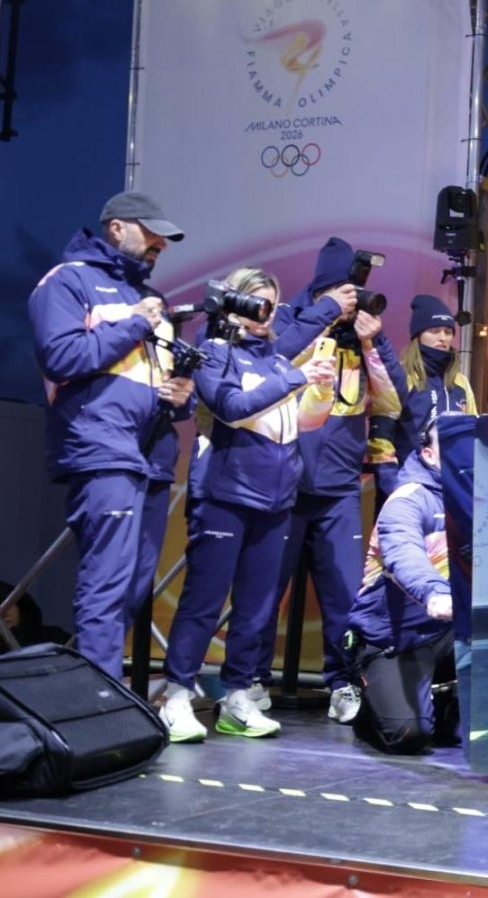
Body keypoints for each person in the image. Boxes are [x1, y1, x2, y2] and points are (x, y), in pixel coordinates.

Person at [158, 267, 335, 742]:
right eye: (257, 302)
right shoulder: (215, 352)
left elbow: (302, 423)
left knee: (257, 607)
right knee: (204, 600)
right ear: (234, 302)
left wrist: (318, 390)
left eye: (272, 304)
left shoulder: (276, 359)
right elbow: (232, 409)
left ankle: (237, 696)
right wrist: (297, 376)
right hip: (225, 494)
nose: (265, 313)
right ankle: (177, 696)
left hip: (277, 499)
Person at [27, 190, 192, 680]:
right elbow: (62, 358)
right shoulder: (68, 281)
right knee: (108, 582)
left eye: (165, 237)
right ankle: (101, 697)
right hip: (101, 446)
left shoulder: (152, 300)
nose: (160, 243)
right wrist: (135, 324)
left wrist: (180, 395)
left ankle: (88, 686)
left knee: (136, 585)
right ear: (117, 228)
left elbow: (154, 377)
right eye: (152, 232)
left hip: (154, 453)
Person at [254, 238, 402, 724]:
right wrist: (324, 313)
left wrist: (374, 342)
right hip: (284, 481)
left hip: (339, 488)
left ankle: (343, 682)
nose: (350, 303)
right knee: (265, 589)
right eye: (344, 293)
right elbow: (274, 359)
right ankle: (251, 681)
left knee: (344, 594)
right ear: (324, 288)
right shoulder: (288, 318)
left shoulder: (356, 338)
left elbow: (394, 400)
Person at [346, 415, 459, 753]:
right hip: (395, 637)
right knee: (409, 735)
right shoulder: (408, 500)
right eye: (453, 447)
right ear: (429, 454)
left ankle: (449, 705)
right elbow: (403, 552)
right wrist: (434, 592)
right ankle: (370, 706)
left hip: (451, 632)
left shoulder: (480, 500)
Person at [369, 293, 477, 514]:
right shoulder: (402, 378)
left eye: (448, 331)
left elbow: (471, 433)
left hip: (452, 491)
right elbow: (381, 436)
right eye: (434, 331)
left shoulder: (460, 382)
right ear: (418, 336)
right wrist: (393, 486)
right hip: (407, 488)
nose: (443, 338)